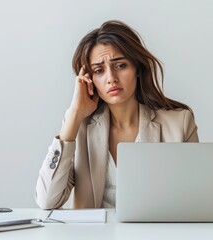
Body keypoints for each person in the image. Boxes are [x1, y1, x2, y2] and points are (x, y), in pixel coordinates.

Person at [35, 20, 199, 210]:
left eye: (120, 65)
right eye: (99, 71)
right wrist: (74, 114)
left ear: (137, 68)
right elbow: (47, 201)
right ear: (89, 79)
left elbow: (193, 199)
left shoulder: (180, 123)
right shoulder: (78, 128)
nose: (111, 78)